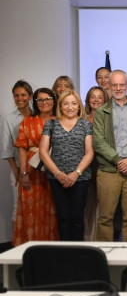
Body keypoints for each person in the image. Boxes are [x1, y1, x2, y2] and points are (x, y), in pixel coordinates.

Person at [93, 70, 127, 242]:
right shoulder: (101, 112)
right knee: (105, 217)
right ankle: (104, 256)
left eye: (122, 84)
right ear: (109, 86)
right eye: (114, 85)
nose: (118, 88)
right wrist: (118, 160)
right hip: (109, 170)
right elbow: (98, 141)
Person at [39, 90, 94, 241]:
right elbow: (43, 152)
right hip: (56, 178)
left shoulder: (85, 124)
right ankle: (64, 254)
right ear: (60, 106)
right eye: (66, 103)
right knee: (63, 217)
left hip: (81, 178)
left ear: (79, 106)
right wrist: (57, 173)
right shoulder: (51, 124)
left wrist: (76, 173)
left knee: (77, 217)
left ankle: (78, 254)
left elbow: (89, 152)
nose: (70, 107)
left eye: (74, 103)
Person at [13, 88, 59, 245]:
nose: (44, 103)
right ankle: (29, 252)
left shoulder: (60, 120)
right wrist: (23, 172)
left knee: (53, 211)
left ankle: (52, 252)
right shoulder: (27, 121)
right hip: (32, 172)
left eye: (47, 99)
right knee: (31, 211)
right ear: (35, 102)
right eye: (40, 100)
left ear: (54, 100)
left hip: (55, 172)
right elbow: (21, 147)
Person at [1, 80, 33, 224]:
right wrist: (17, 172)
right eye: (16, 95)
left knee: (35, 209)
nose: (20, 99)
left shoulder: (37, 115)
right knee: (18, 208)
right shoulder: (8, 118)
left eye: (23, 95)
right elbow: (7, 149)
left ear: (30, 96)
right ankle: (18, 245)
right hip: (19, 170)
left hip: (37, 170)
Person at [82, 86, 107, 241]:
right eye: (93, 96)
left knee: (103, 204)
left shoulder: (109, 119)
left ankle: (101, 239)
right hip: (85, 167)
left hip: (103, 165)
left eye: (99, 97)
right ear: (88, 100)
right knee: (87, 204)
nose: (96, 100)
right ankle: (87, 239)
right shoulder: (81, 120)